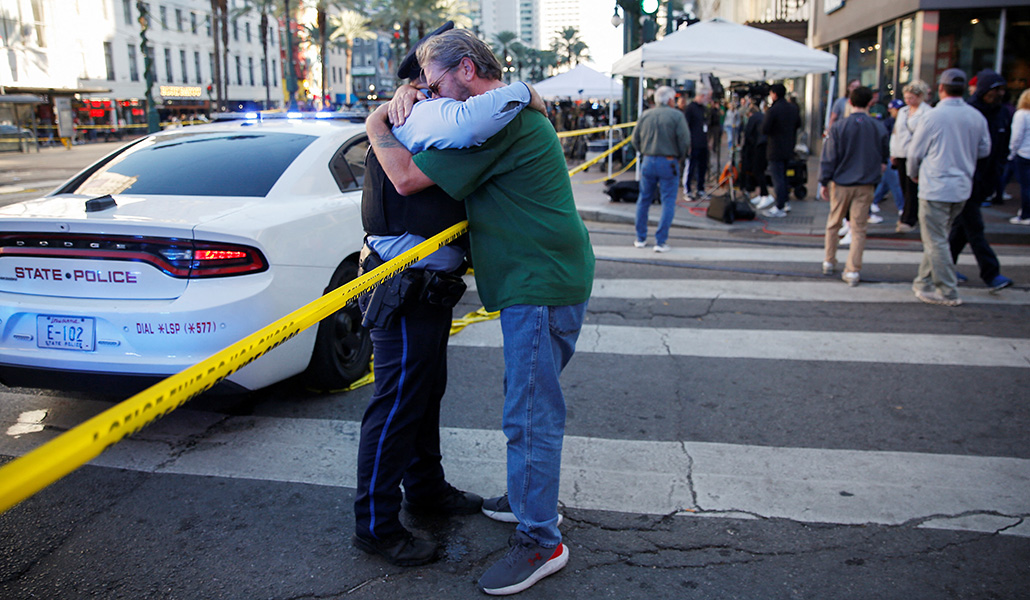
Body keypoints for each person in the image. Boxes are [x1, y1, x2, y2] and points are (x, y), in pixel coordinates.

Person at [365, 28, 594, 595]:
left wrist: (377, 123)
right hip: (542, 273)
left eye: (435, 84)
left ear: (466, 69)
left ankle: (541, 538)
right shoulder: (509, 111)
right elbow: (525, 96)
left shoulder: (494, 124)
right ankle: (528, 500)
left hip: (537, 280)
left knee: (530, 412)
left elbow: (407, 176)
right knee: (529, 403)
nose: (429, 96)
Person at [353, 22, 543, 567]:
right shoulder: (416, 115)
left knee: (423, 392)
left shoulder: (423, 112)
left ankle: (426, 490)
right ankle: (375, 524)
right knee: (396, 402)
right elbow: (410, 181)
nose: (435, 91)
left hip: (426, 282)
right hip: (402, 278)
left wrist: (526, 93)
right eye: (429, 79)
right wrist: (385, 112)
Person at [907, 68, 991, 307]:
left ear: (941, 89)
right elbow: (985, 149)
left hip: (935, 185)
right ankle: (923, 281)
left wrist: (913, 175)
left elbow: (915, 153)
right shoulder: (975, 116)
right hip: (962, 185)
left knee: (935, 240)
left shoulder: (932, 117)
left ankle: (947, 289)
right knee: (938, 238)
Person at [948, 69, 1013, 293]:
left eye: (1002, 90)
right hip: (968, 178)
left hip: (986, 178)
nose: (1000, 94)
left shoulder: (1002, 113)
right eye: (996, 90)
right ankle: (991, 272)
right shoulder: (972, 112)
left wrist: (997, 177)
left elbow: (1001, 148)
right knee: (975, 228)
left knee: (961, 230)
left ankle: (943, 266)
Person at [819, 86, 889, 287]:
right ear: (870, 103)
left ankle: (829, 260)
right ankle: (853, 270)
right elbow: (884, 155)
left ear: (850, 102)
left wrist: (824, 180)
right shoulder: (877, 126)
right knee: (859, 228)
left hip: (841, 182)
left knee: (834, 222)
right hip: (866, 182)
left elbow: (829, 157)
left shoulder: (839, 127)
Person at [632, 85, 690, 252]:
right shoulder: (677, 116)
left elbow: (634, 139)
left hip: (648, 160)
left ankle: (640, 237)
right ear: (671, 100)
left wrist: (644, 151)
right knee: (668, 201)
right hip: (668, 160)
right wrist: (680, 156)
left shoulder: (646, 115)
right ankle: (660, 241)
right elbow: (684, 141)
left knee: (644, 199)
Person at [890, 80, 931, 233]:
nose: (908, 101)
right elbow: (896, 133)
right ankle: (908, 215)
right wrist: (893, 152)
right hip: (901, 153)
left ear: (920, 96)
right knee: (904, 186)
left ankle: (909, 218)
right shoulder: (903, 111)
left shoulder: (927, 112)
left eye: (911, 98)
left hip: (916, 154)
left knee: (912, 187)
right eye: (906, 97)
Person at [761, 83, 800, 218]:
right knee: (784, 176)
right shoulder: (793, 108)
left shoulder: (773, 110)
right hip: (788, 147)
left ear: (774, 94)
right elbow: (798, 124)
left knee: (778, 178)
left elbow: (765, 129)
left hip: (775, 148)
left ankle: (780, 206)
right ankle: (785, 202)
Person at [872, 99, 906, 219]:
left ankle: (874, 200)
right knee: (895, 182)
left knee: (886, 182)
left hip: (899, 155)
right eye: (896, 109)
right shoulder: (887, 123)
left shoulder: (904, 121)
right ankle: (902, 207)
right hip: (890, 155)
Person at [741, 100, 772, 207]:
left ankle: (764, 194)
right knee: (760, 170)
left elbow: (748, 135)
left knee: (757, 170)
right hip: (766, 146)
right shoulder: (763, 117)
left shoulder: (753, 119)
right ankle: (761, 194)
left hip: (758, 147)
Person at [683, 87, 710, 199]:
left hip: (702, 142)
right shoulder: (690, 108)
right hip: (693, 143)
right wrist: (688, 143)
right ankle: (687, 190)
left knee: (702, 167)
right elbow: (686, 126)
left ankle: (700, 188)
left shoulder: (703, 109)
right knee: (691, 167)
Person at [1009, 88, 1030, 225]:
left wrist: (1011, 152)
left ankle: (1025, 214)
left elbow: (1016, 137)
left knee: (1025, 186)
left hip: (1023, 153)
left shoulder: (1021, 114)